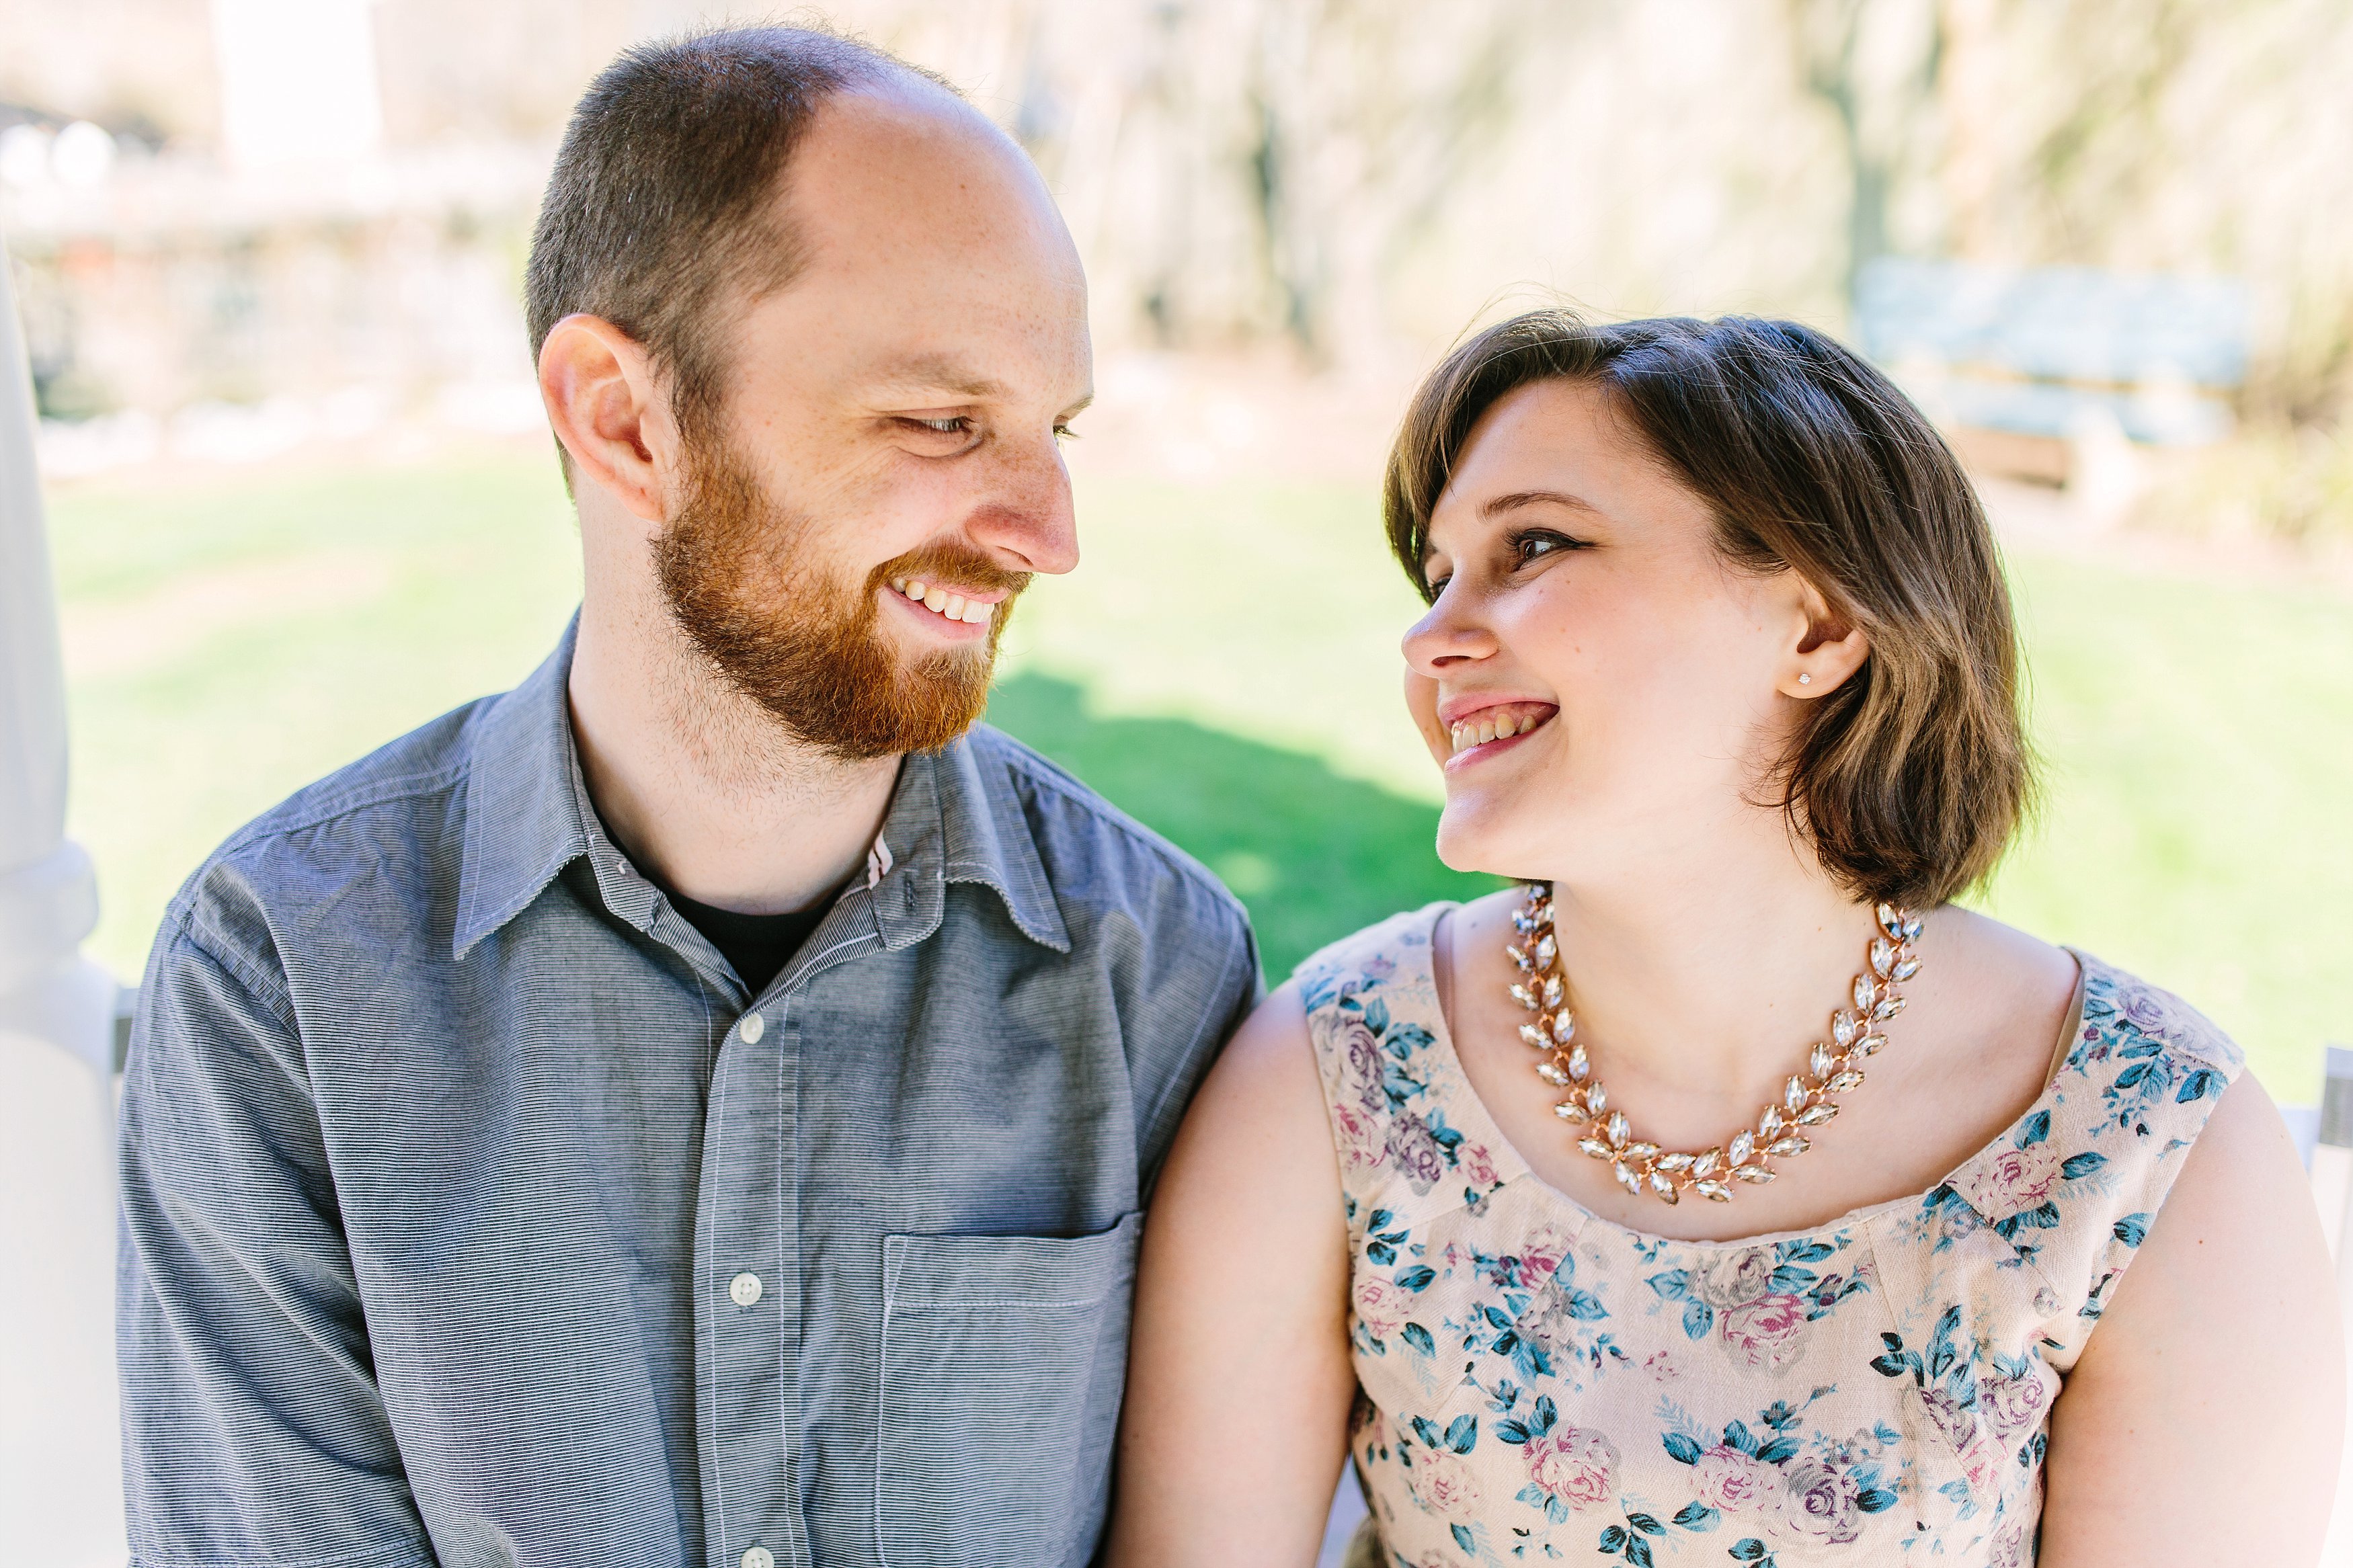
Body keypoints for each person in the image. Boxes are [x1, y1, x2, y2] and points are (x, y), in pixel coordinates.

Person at [115, 27, 1258, 1568]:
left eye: (1052, 432)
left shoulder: (1157, 974)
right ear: (625, 421)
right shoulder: (286, 989)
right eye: (941, 420)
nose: (1047, 535)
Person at [1109, 312, 2343, 1567]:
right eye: (1438, 578)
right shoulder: (1336, 1074)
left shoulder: (2144, 1142)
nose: (1433, 641)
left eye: (1531, 546)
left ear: (1815, 632)